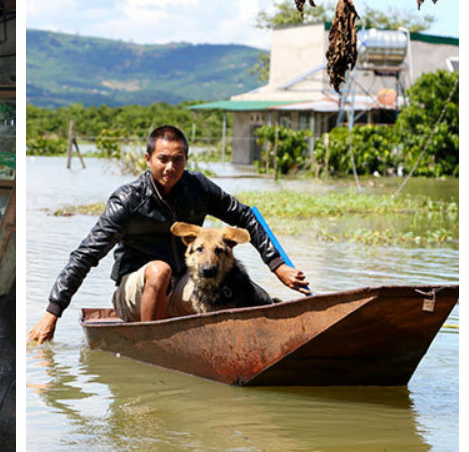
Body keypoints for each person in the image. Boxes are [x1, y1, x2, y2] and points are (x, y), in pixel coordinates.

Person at [27, 125, 309, 344]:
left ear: (186, 159)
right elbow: (85, 255)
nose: (170, 168)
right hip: (135, 292)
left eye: (178, 159)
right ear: (148, 159)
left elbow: (246, 216)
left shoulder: (198, 187)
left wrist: (278, 265)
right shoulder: (128, 200)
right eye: (163, 159)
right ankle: (152, 344)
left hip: (182, 283)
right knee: (159, 271)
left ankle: (262, 324)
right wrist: (52, 312)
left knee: (226, 273)